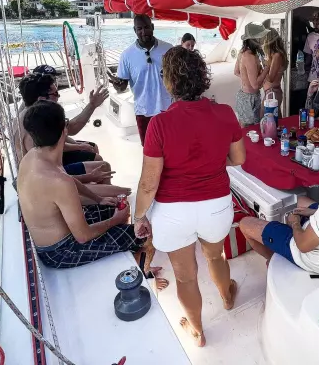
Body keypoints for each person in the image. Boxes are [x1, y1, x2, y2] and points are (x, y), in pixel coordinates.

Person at [133, 47, 246, 347]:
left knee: (185, 277)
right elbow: (238, 159)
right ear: (202, 77)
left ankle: (197, 330)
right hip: (216, 207)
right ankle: (227, 295)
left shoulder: (159, 124)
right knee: (215, 255)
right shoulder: (224, 113)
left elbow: (148, 184)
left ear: (168, 81)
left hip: (172, 213)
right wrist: (208, 160)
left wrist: (139, 217)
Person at [18, 101, 154, 271]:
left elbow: (67, 178)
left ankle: (123, 241)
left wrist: (99, 199)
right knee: (143, 233)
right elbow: (83, 236)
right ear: (64, 130)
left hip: (57, 236)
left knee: (110, 206)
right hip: (62, 250)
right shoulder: (59, 182)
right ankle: (145, 268)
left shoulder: (31, 157)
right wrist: (115, 220)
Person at [239, 152, 319, 275]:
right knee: (301, 200)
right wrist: (315, 212)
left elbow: (303, 246)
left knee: (244, 224)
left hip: (314, 260)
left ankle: (273, 260)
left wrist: (295, 223)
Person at [15, 73, 131, 199]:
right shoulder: (36, 124)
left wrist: (78, 147)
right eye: (55, 94)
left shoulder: (31, 115)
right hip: (47, 185)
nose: (59, 97)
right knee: (110, 177)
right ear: (41, 99)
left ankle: (101, 193)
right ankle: (105, 203)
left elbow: (64, 136)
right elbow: (55, 177)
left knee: (95, 154)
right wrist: (89, 180)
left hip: (50, 173)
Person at [108, 15, 172, 145]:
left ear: (152, 27)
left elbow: (178, 77)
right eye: (139, 29)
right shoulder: (127, 55)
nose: (144, 32)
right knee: (149, 149)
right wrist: (117, 85)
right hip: (143, 111)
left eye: (147, 27)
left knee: (170, 146)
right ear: (135, 30)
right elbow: (122, 86)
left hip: (168, 109)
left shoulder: (169, 49)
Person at [234, 23, 270, 126]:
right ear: (254, 39)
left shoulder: (242, 52)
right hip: (250, 99)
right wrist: (266, 68)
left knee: (245, 130)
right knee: (250, 132)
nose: (263, 39)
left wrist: (247, 79)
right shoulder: (250, 57)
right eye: (261, 37)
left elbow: (236, 71)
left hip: (243, 96)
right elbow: (255, 85)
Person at [261, 28, 288, 117]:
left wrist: (263, 67)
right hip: (271, 92)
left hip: (273, 92)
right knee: (274, 121)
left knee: (265, 119)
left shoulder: (277, 55)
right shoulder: (273, 55)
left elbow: (270, 78)